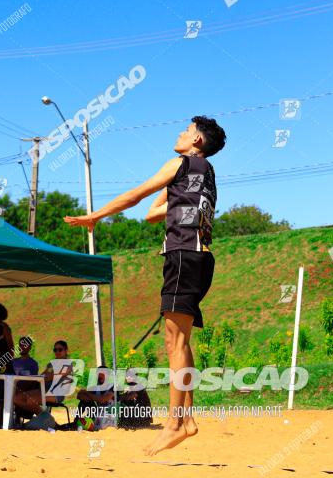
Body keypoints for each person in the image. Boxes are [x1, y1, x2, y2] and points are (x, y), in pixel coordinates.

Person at [65, 116, 226, 454]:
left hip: (183, 256)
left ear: (196, 139)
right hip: (198, 259)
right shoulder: (203, 175)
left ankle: (174, 423)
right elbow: (153, 214)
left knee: (174, 342)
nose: (179, 133)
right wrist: (169, 186)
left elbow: (136, 196)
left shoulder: (182, 163)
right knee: (181, 341)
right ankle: (189, 419)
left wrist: (96, 216)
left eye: (186, 129)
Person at [13, 339, 75, 418]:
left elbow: (49, 377)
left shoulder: (68, 364)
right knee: (16, 399)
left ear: (66, 351)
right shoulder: (51, 364)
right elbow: (42, 376)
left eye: (60, 349)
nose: (57, 352)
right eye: (55, 350)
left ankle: (46, 419)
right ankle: (41, 416)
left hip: (56, 394)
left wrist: (46, 377)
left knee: (30, 400)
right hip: (43, 390)